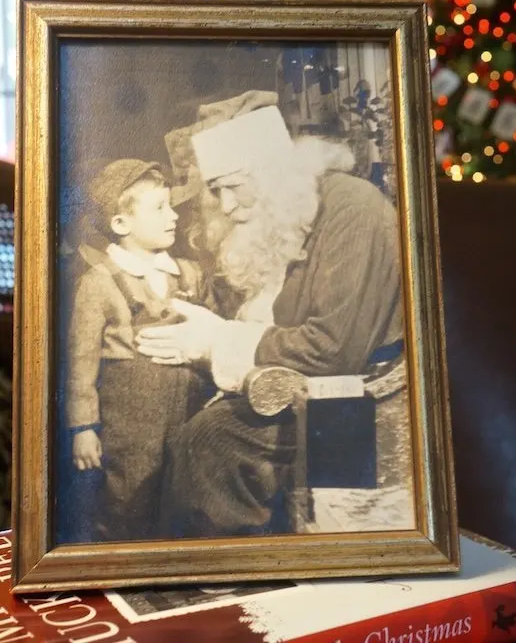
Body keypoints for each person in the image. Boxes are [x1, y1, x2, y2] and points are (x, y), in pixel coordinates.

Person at [137, 91, 403, 536]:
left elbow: (333, 350)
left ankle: (224, 579)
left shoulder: (354, 209)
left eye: (229, 187)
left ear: (270, 172)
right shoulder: (289, 209)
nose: (223, 207)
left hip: (355, 402)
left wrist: (217, 341)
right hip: (293, 384)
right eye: (215, 191)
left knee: (210, 440)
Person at [67, 158, 208, 541]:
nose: (173, 216)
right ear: (120, 224)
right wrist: (83, 427)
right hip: (129, 424)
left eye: (171, 205)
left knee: (186, 493)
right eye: (159, 208)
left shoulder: (190, 274)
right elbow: (81, 365)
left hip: (191, 411)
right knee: (129, 498)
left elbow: (214, 336)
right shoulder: (99, 283)